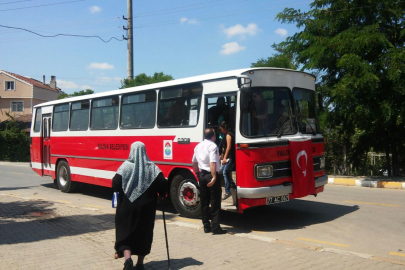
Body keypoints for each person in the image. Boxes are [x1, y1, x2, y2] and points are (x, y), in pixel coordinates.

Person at [113, 142, 168, 270]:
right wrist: (162, 194)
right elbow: (163, 182)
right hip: (146, 208)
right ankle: (140, 263)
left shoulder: (125, 166)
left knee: (125, 232)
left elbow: (115, 183)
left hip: (127, 208)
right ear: (144, 151)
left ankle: (128, 259)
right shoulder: (152, 168)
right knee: (144, 233)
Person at [192, 128, 227, 235]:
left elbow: (193, 162)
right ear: (213, 136)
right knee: (215, 201)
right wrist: (214, 177)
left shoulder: (198, 146)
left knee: (204, 202)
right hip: (210, 175)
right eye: (215, 135)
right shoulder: (213, 146)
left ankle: (206, 226)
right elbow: (212, 163)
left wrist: (198, 174)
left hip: (202, 175)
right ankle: (216, 227)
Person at [218, 120, 236, 200]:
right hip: (227, 157)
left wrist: (225, 158)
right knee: (222, 170)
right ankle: (232, 185)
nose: (220, 131)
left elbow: (228, 147)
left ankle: (228, 191)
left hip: (230, 157)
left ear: (224, 128)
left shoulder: (228, 135)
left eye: (221, 129)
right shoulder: (227, 134)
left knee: (225, 172)